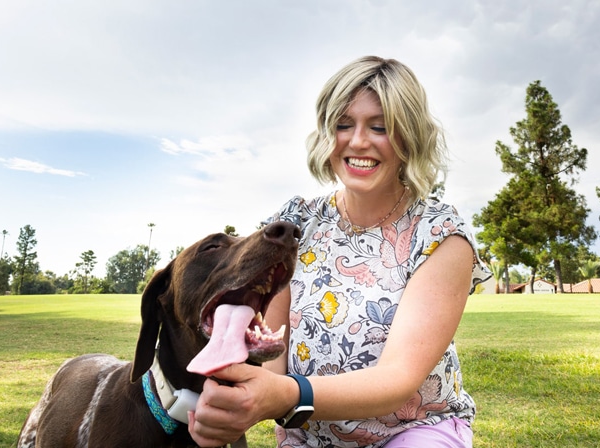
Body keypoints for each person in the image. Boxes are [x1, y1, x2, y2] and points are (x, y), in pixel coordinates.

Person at [188, 56, 491, 448]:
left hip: (413, 431)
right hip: (308, 437)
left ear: (408, 137)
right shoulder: (294, 224)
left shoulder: (440, 234)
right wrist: (227, 410)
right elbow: (270, 351)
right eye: (343, 125)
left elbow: (397, 379)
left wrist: (284, 396)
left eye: (379, 127)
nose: (358, 140)